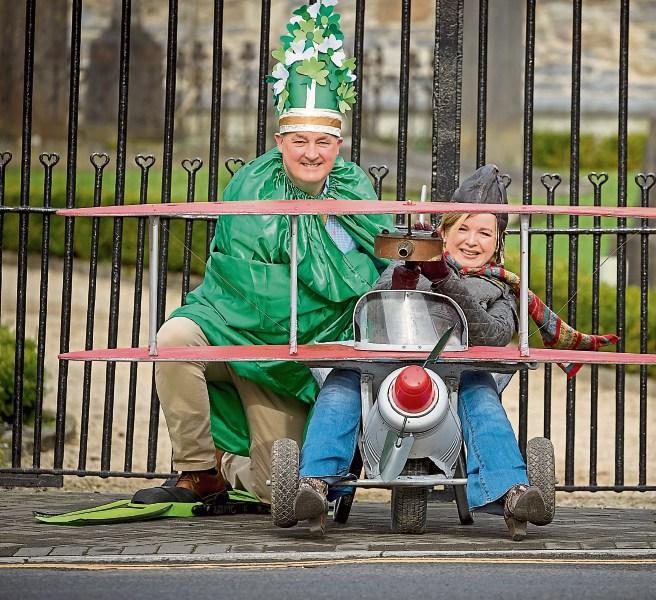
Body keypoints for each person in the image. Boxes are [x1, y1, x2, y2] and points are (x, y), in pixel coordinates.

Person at [135, 0, 392, 505]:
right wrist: (305, 275)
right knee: (174, 337)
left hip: (294, 358)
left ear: (339, 144)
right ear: (280, 140)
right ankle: (195, 469)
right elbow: (239, 274)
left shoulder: (355, 188)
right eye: (299, 140)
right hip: (230, 328)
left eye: (323, 140)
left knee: (285, 492)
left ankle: (225, 465)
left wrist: (309, 266)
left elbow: (365, 275)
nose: (312, 152)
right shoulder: (251, 181)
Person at [293, 165, 618, 540]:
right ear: (443, 234)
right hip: (386, 367)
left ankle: (512, 490)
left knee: (482, 394)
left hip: (455, 378)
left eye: (484, 232)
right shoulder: (406, 266)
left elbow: (495, 337)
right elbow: (377, 311)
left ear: (498, 242)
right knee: (341, 384)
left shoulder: (503, 291)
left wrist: (446, 279)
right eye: (462, 228)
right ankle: (315, 483)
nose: (472, 240)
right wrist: (410, 271)